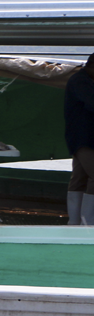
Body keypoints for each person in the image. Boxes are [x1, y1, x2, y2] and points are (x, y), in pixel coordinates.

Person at [65, 53, 94, 226]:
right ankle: (89, 223)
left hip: (81, 137)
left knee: (80, 179)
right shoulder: (80, 81)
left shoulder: (83, 80)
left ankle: (75, 223)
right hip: (85, 137)